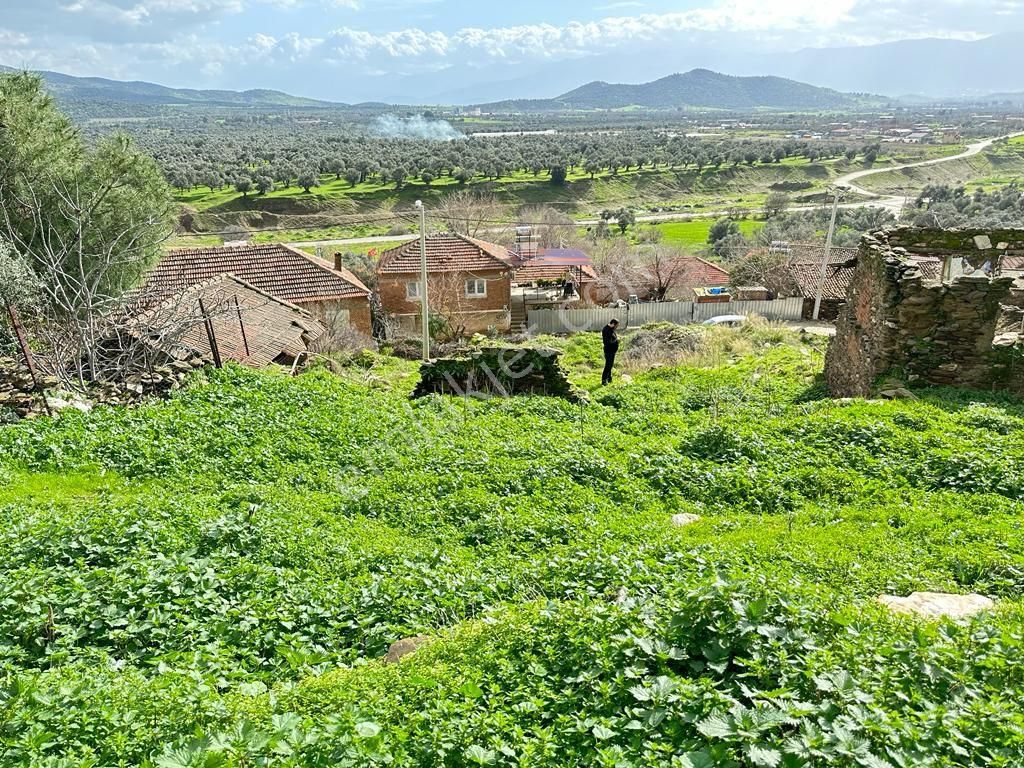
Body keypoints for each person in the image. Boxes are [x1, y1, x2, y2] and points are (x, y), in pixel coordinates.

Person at [601, 318, 620, 386]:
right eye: (616, 326)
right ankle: (604, 380)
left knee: (610, 365)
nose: (616, 327)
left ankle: (609, 378)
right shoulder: (606, 330)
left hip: (612, 351)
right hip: (609, 350)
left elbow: (613, 337)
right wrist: (616, 341)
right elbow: (607, 342)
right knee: (608, 366)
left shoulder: (611, 329)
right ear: (612, 324)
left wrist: (616, 339)